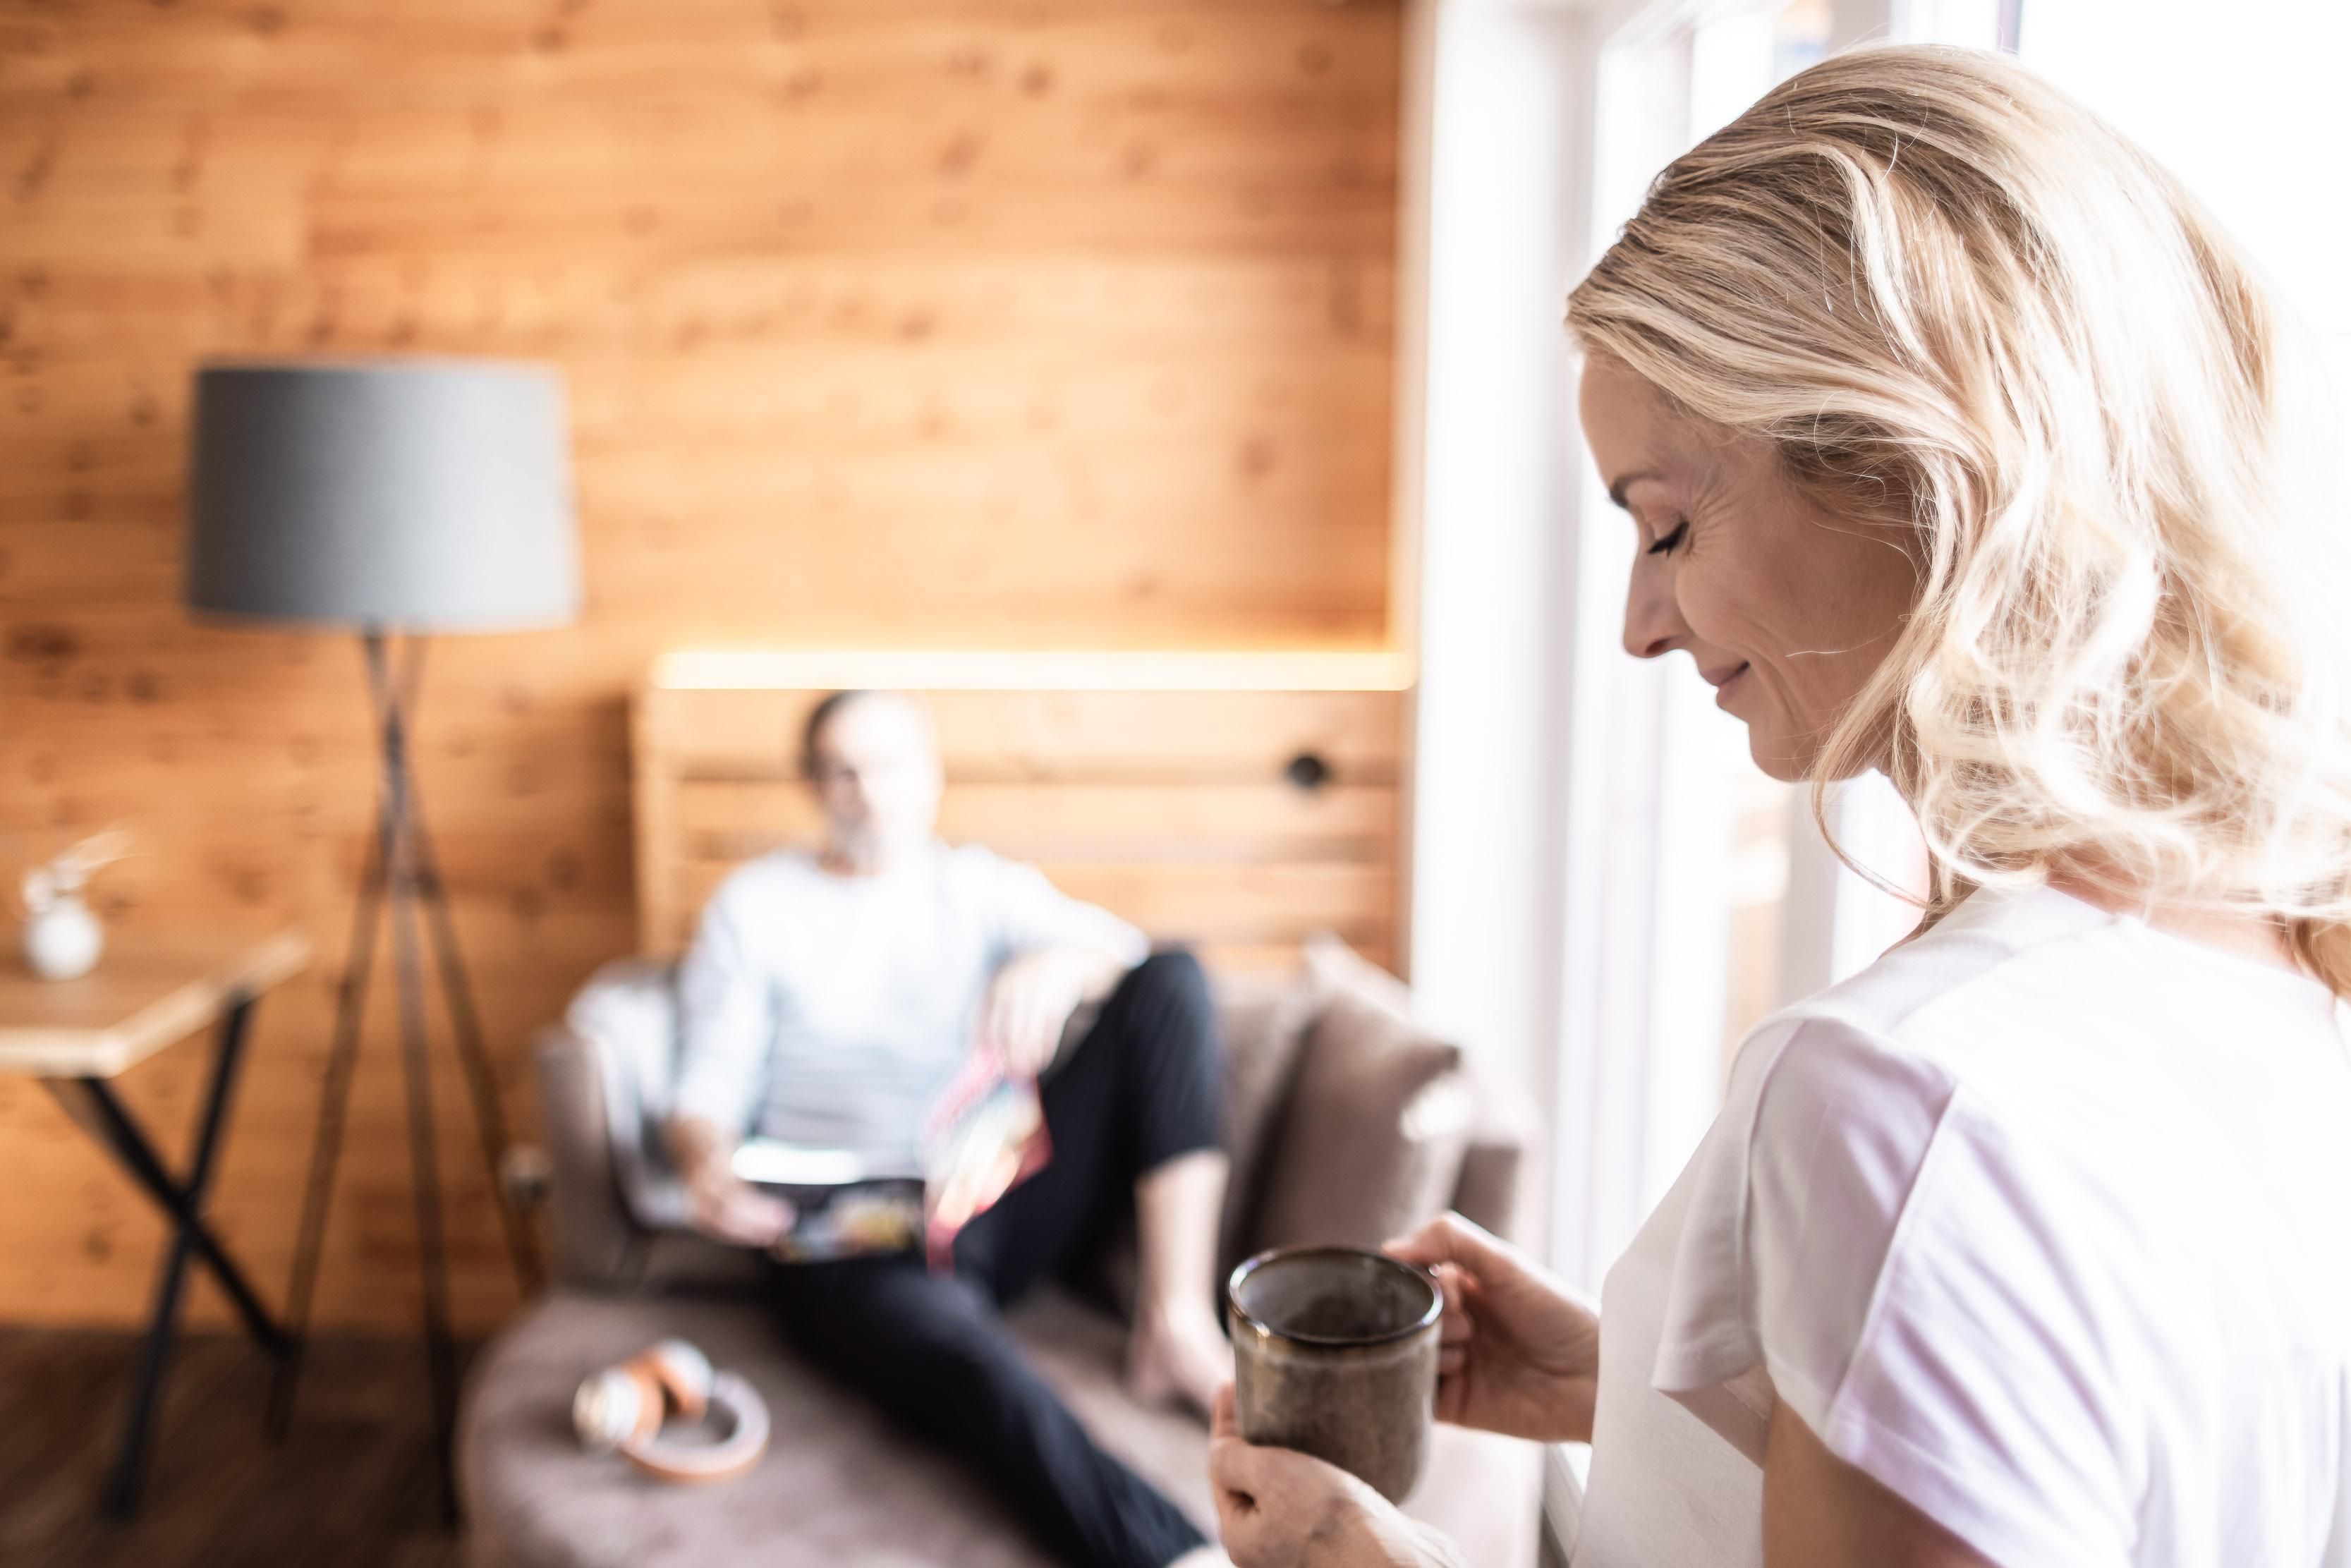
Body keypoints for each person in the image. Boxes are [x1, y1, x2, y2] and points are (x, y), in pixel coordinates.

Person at [1209, 44, 2351, 1568]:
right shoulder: (2276, 963)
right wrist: (1623, 1376)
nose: (1639, 623)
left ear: (1901, 465)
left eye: (1666, 526)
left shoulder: (1905, 1094)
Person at [667, 688, 1234, 1568]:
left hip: (991, 1196)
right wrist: (706, 1164)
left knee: (1174, 980)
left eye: (887, 766)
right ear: (812, 786)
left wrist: (1058, 966)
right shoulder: (756, 906)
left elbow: (1126, 954)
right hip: (850, 1238)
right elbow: (706, 1088)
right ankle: (1177, 1559)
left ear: (930, 776)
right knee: (982, 1376)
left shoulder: (976, 886)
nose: (868, 792)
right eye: (842, 772)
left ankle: (1176, 1322)